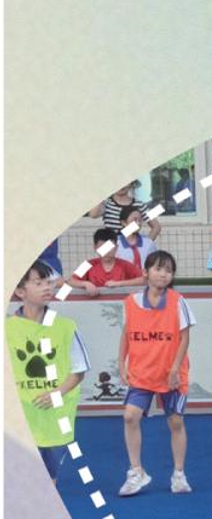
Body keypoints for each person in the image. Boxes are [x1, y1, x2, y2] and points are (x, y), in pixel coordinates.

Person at [117, 251, 194, 496]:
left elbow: (185, 338)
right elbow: (126, 334)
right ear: (146, 272)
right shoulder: (131, 302)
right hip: (141, 372)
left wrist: (175, 369)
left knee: (175, 422)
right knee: (130, 417)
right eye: (158, 269)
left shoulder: (178, 301)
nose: (163, 274)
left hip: (171, 374)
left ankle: (179, 474)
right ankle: (136, 471)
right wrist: (121, 363)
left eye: (168, 270)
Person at [7, 260, 91, 484]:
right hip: (19, 413)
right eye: (38, 283)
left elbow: (79, 370)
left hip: (56, 412)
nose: (47, 287)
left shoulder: (66, 327)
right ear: (20, 291)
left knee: (49, 477)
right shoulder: (7, 328)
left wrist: (57, 393)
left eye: (48, 282)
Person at [68, 229, 146, 294]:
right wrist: (85, 284)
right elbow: (71, 281)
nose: (107, 251)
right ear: (95, 248)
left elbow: (143, 280)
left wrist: (119, 283)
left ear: (116, 247)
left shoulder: (125, 265)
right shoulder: (87, 264)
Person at [89, 182, 159, 236]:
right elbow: (93, 215)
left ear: (131, 183)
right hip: (110, 245)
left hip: (131, 246)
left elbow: (156, 227)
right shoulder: (106, 203)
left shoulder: (140, 204)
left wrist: (146, 246)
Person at [115, 204, 159, 272]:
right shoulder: (113, 242)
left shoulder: (149, 243)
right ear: (123, 222)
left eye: (140, 220)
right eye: (134, 220)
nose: (138, 223)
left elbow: (155, 264)